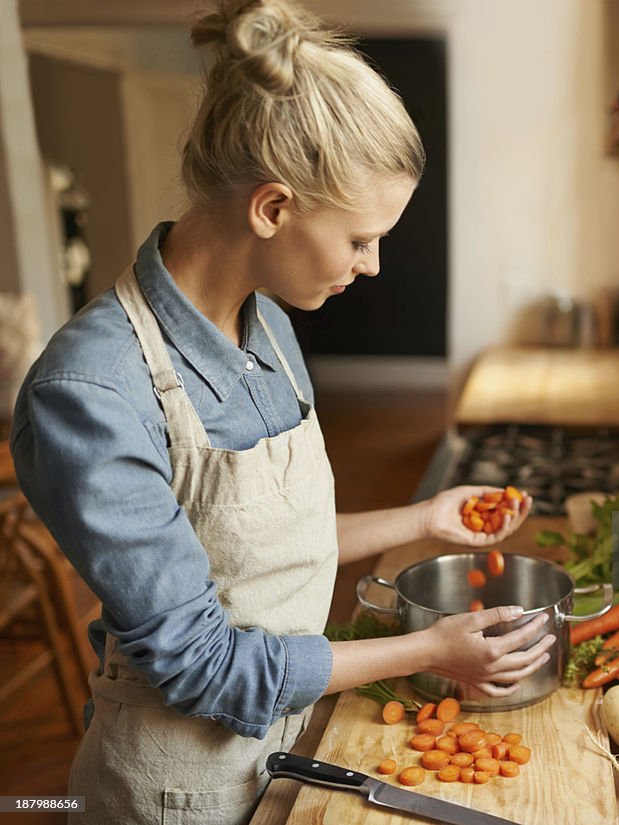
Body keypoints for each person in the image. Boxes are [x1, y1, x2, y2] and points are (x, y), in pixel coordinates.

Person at [10, 1, 555, 822]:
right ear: (273, 207)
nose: (371, 267)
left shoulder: (270, 327)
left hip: (291, 751)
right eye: (360, 240)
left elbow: (258, 552)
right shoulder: (90, 393)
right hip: (178, 790)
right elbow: (201, 665)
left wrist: (424, 518)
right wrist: (428, 650)